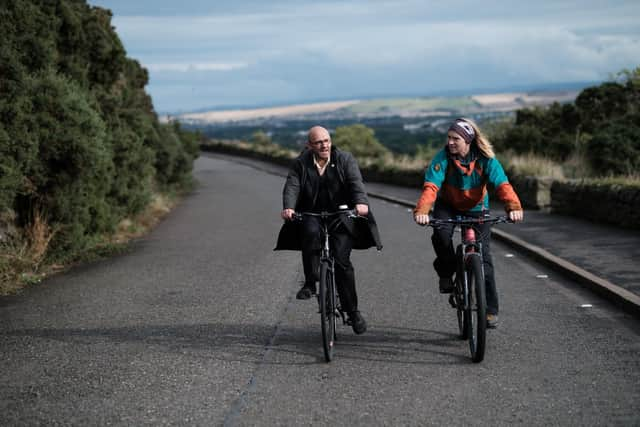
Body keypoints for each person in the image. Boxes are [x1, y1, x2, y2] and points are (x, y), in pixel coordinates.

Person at [413, 117, 524, 328]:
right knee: (441, 235)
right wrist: (423, 211)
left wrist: (514, 208)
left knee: (485, 260)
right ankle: (446, 273)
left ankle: (490, 310)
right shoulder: (443, 158)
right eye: (449, 138)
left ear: (468, 140)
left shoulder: (486, 160)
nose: (450, 142)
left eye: (455, 138)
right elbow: (431, 187)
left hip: (477, 208)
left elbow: (502, 185)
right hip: (448, 206)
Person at [275, 126, 382, 335]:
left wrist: (360, 203)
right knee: (309, 233)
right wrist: (289, 207)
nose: (324, 145)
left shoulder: (344, 159)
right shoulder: (301, 163)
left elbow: (355, 183)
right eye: (319, 142)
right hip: (312, 213)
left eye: (327, 140)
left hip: (341, 215)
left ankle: (352, 312)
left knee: (342, 262)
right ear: (309, 146)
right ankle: (310, 282)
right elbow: (292, 186)